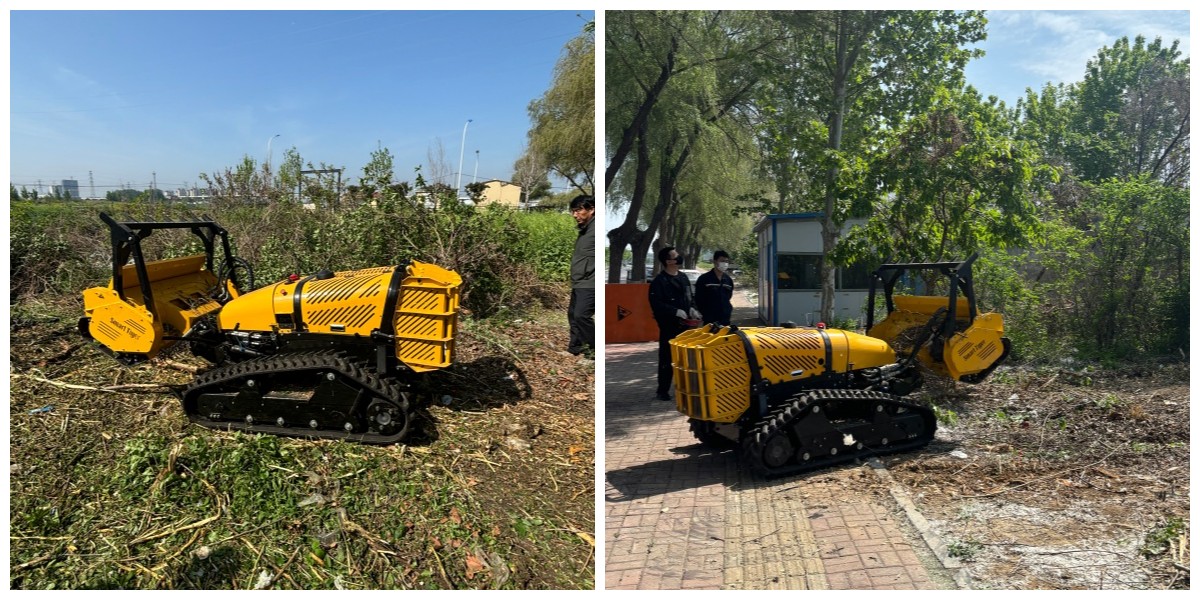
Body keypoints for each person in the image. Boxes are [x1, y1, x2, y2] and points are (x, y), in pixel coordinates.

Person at [648, 246, 700, 401]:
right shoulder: (659, 281)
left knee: (688, 359)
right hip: (669, 326)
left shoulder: (683, 278)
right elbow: (656, 304)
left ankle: (687, 388)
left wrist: (692, 309)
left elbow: (689, 296)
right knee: (667, 359)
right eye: (675, 256)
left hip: (687, 326)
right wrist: (674, 311)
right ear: (668, 261)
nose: (679, 258)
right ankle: (662, 390)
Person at [567, 194, 595, 357]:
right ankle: (575, 348)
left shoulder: (595, 228)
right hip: (579, 280)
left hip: (590, 282)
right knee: (573, 315)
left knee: (581, 316)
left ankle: (595, 350)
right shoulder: (585, 228)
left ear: (592, 209)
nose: (575, 215)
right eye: (573, 211)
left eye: (578, 210)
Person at [695, 250, 734, 326]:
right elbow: (698, 299)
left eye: (727, 261)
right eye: (722, 261)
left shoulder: (728, 280)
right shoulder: (704, 279)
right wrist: (705, 313)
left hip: (725, 319)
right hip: (710, 321)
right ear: (715, 261)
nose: (725, 264)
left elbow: (728, 296)